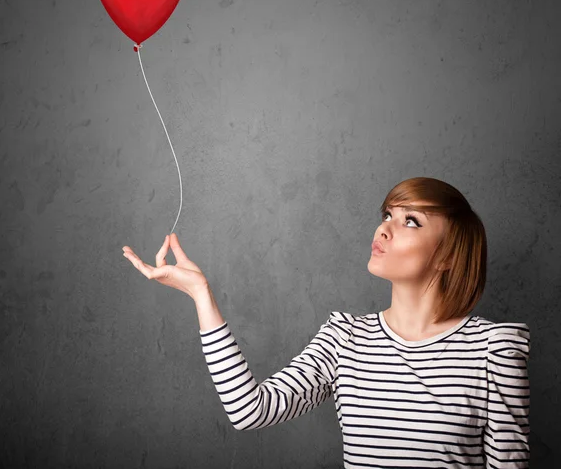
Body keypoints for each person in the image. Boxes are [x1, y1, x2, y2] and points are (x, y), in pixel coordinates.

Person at [122, 176, 530, 468]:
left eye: (410, 221)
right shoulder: (344, 338)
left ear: (447, 257)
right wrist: (201, 295)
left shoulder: (493, 350)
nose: (384, 228)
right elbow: (250, 410)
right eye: (387, 214)